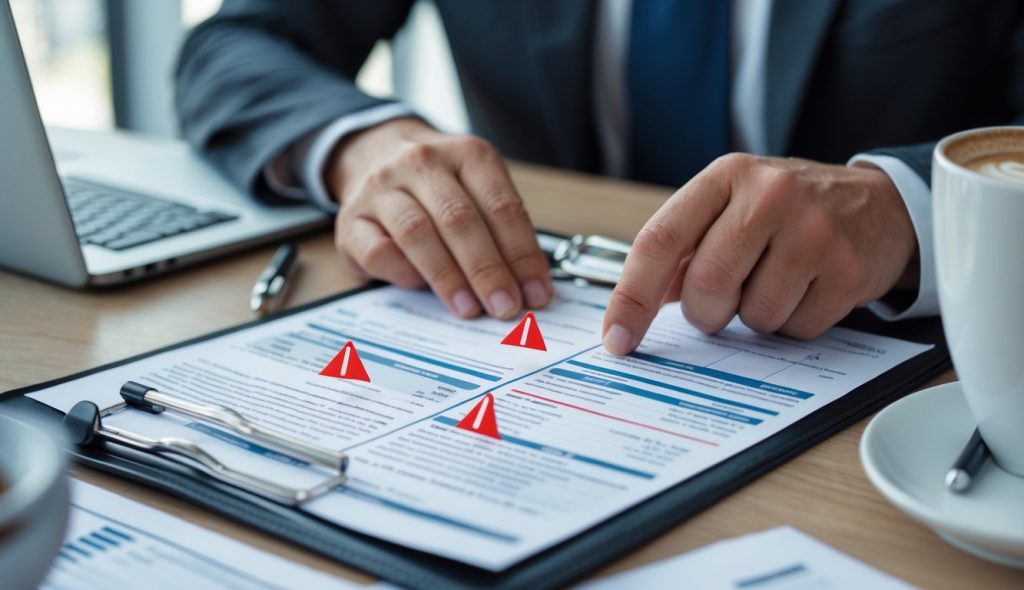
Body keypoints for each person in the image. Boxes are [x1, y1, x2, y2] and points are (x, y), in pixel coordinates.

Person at [175, 1, 1024, 355]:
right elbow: (237, 43)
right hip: (544, 332)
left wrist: (909, 208)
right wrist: (361, 142)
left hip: (917, 378)